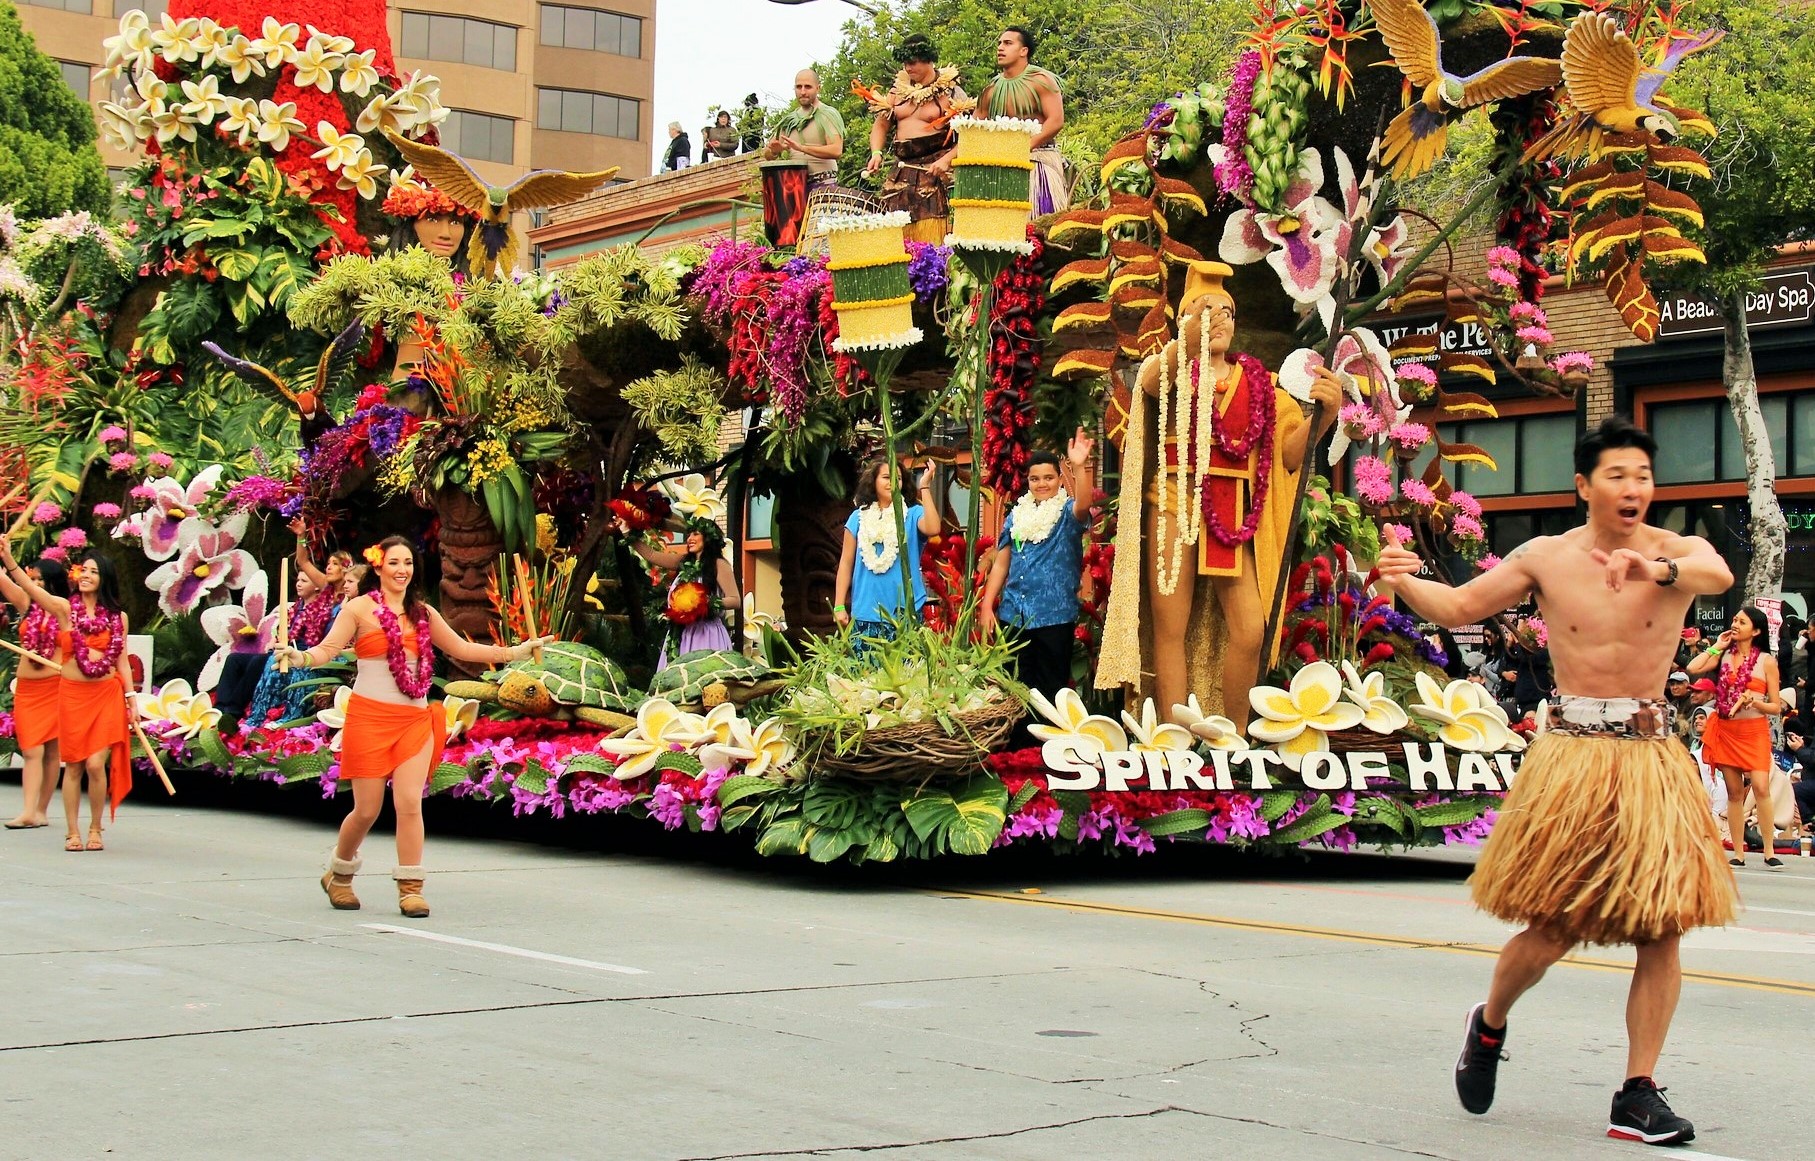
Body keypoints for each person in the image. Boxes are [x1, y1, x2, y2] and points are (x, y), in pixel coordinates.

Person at [1372, 415, 1736, 1147]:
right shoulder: (1545, 556)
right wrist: (1402, 579)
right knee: (1554, 926)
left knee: (1661, 929)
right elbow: (1458, 607)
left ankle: (1636, 1091)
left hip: (1649, 757)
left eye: (1641, 475)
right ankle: (1489, 1022)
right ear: (1583, 485)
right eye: (1616, 475)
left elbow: (1715, 575)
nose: (1632, 488)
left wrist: (1650, 570)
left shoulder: (1677, 551)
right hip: (1570, 757)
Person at [1095, 260, 1341, 723]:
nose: (1219, 318)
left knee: (1250, 629)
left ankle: (1237, 737)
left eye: (1226, 310)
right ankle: (1173, 735)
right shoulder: (1167, 370)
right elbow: (1147, 382)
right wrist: (1180, 346)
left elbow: (1290, 454)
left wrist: (1324, 416)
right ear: (1185, 318)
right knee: (1170, 626)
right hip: (1170, 499)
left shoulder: (1260, 385)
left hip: (1230, 510)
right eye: (1206, 310)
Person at [284, 536, 550, 917]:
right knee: (366, 810)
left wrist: (516, 652)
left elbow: (463, 649)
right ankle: (339, 874)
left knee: (409, 802)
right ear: (378, 567)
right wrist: (300, 656)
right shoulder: (359, 609)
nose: (402, 570)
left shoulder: (423, 613)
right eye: (394, 562)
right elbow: (328, 650)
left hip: (413, 720)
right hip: (369, 718)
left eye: (408, 562)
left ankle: (410, 888)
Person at [2, 542, 135, 853]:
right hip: (72, 695)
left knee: (94, 764)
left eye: (93, 571)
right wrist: (8, 559)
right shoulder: (65, 609)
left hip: (106, 695)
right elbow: (30, 589)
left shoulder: (118, 618)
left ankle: (95, 827)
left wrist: (131, 698)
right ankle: (72, 831)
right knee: (73, 766)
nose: (86, 575)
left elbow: (122, 661)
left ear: (105, 578)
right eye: (83, 570)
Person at [980, 429, 1095, 702]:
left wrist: (1079, 467)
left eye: (1048, 477)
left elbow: (1084, 504)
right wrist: (987, 604)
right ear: (1028, 482)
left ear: (1058, 479)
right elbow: (1001, 564)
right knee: (1013, 691)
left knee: (1049, 695)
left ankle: (1046, 746)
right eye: (1035, 478)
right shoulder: (1015, 516)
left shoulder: (1067, 514)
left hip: (1052, 618)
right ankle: (1016, 746)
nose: (1041, 484)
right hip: (1013, 616)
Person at [1686, 605, 1786, 868]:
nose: (1735, 625)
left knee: (1761, 787)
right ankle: (1739, 852)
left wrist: (1756, 702)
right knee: (1733, 792)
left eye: (1741, 622)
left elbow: (1776, 706)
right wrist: (1716, 646)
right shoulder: (1724, 655)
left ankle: (1768, 850)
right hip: (1727, 730)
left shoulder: (1767, 661)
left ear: (1755, 630)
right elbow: (1693, 667)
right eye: (1734, 620)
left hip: (1753, 732)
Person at [862, 34, 969, 244]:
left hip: (936, 169)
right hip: (901, 170)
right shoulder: (897, 91)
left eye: (912, 63)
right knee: (893, 229)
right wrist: (876, 152)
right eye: (905, 64)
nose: (908, 69)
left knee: (935, 234)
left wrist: (946, 161)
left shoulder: (951, 91)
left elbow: (970, 135)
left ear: (928, 60)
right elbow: (881, 125)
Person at [245, 526, 351, 729]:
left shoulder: (353, 596)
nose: (328, 568)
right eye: (328, 563)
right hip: (314, 650)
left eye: (335, 564)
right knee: (272, 665)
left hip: (335, 655)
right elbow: (303, 561)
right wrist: (302, 536)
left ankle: (291, 719)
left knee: (300, 671)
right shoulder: (327, 589)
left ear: (346, 569)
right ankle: (257, 717)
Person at [834, 458, 941, 644]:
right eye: (886, 477)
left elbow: (933, 528)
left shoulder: (912, 514)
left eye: (898, 478)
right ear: (873, 481)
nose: (892, 482)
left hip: (905, 612)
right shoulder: (857, 517)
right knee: (865, 672)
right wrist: (839, 605)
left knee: (907, 672)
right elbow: (846, 562)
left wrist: (924, 487)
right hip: (866, 614)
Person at [1, 556, 67, 830]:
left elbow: (24, 584)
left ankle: (39, 811)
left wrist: (10, 561)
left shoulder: (63, 608)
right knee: (31, 750)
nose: (36, 584)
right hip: (28, 691)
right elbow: (4, 581)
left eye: (42, 579)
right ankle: (29, 810)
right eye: (35, 578)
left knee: (52, 751)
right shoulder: (27, 606)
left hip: (55, 686)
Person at [975, 25, 1069, 215]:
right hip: (1002, 167)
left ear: (1023, 51)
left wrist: (1022, 147)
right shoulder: (991, 90)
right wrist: (947, 161)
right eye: (999, 43)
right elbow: (974, 130)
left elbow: (1056, 120)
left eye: (1008, 43)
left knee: (1040, 226)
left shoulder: (1041, 81)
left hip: (1039, 163)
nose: (1000, 48)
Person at [628, 518, 740, 670]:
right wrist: (626, 532)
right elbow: (652, 555)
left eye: (695, 534)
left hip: (706, 633)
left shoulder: (719, 564)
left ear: (708, 537)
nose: (690, 539)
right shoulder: (683, 561)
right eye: (688, 535)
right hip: (682, 633)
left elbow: (735, 600)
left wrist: (706, 603)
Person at [765, 70, 846, 189]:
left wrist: (802, 148)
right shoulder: (790, 120)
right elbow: (767, 154)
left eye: (808, 87)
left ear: (818, 88)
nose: (803, 92)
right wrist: (774, 151)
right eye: (799, 87)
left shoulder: (827, 115)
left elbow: (836, 150)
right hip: (795, 186)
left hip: (824, 186)